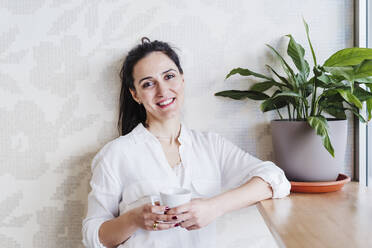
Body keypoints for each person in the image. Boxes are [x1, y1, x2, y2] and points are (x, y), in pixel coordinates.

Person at [82, 38, 291, 248]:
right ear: (135, 94)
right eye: (148, 83)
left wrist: (214, 207)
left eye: (169, 76)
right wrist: (134, 219)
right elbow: (92, 237)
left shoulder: (211, 146)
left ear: (182, 79)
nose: (162, 91)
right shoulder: (116, 154)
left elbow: (276, 180)